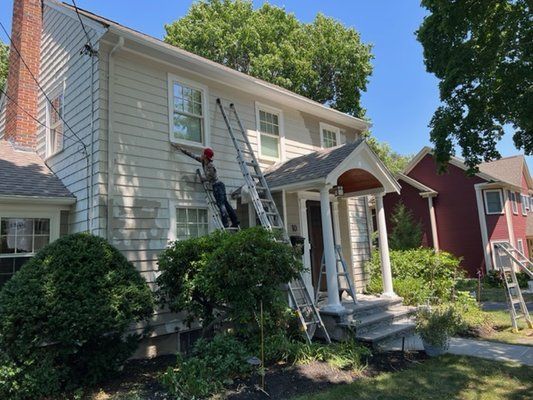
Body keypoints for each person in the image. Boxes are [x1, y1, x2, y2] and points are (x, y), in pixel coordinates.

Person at [172, 143, 240, 228]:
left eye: (203, 153)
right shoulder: (204, 161)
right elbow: (192, 156)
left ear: (205, 156)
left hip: (218, 186)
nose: (201, 154)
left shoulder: (210, 166)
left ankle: (225, 224)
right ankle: (235, 221)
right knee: (225, 204)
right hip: (218, 186)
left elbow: (211, 176)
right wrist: (181, 149)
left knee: (221, 205)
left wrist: (203, 179)